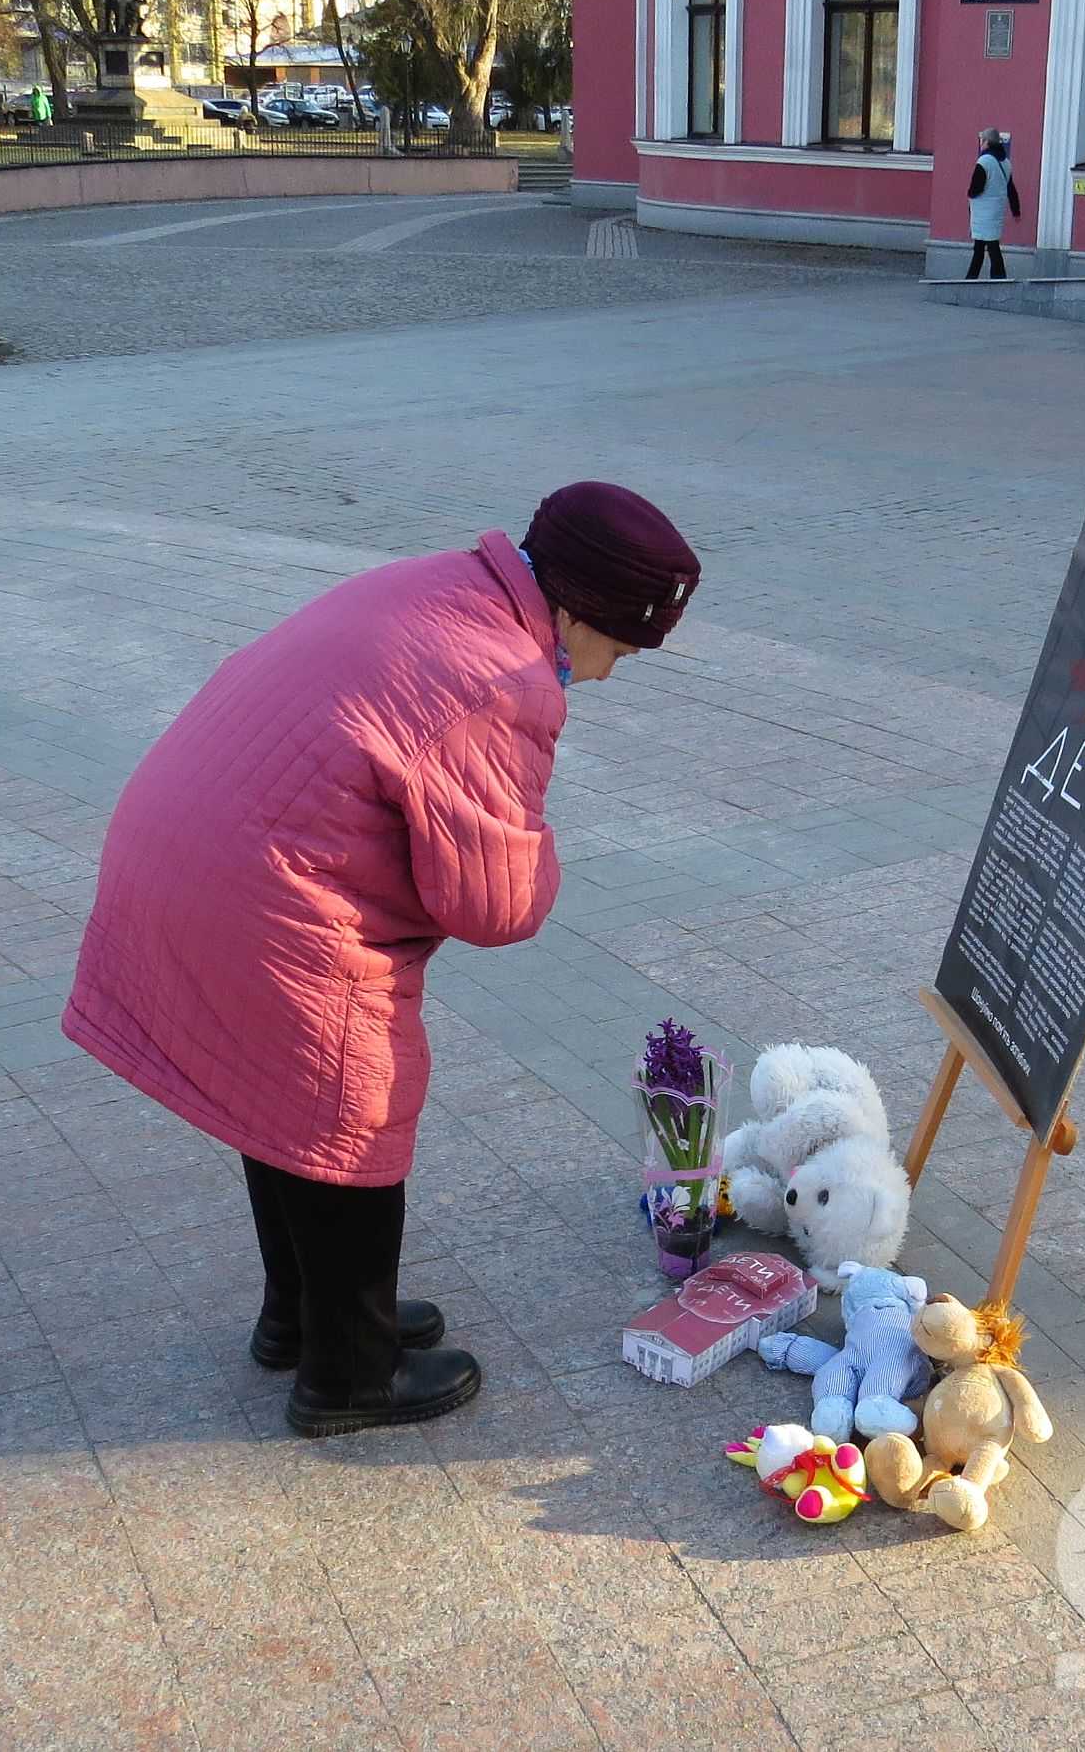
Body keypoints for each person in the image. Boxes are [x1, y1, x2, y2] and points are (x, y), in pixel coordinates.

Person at [63, 484, 702, 1437]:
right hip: (265, 889)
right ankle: (348, 1373)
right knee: (348, 1099)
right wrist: (542, 845)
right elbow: (495, 905)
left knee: (274, 1090)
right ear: (575, 610)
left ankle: (305, 1314)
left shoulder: (446, 584)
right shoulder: (503, 678)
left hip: (190, 846)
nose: (608, 674)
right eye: (619, 647)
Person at [966, 126, 1021, 280]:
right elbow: (1011, 189)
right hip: (997, 210)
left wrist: (969, 194)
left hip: (983, 211)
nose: (980, 143)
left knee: (986, 247)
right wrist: (1016, 210)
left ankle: (985, 278)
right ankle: (989, 277)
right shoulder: (1006, 163)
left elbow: (976, 187)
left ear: (986, 142)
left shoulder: (984, 162)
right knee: (989, 245)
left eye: (982, 140)